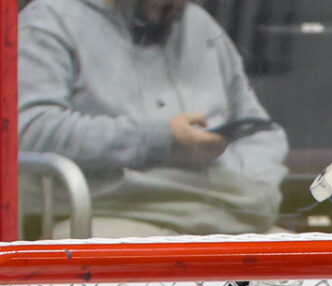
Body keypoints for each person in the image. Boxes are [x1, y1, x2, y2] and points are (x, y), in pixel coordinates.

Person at [18, 0, 289, 236]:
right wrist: (161, 138)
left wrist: (253, 181)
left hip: (225, 210)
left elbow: (259, 131)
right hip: (114, 212)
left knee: (307, 272)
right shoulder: (49, 21)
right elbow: (31, 131)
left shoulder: (200, 26)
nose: (173, 5)